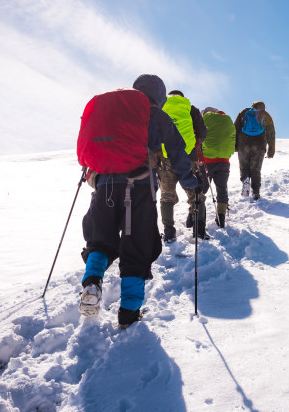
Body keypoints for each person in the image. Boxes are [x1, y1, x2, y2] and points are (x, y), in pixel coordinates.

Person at [77, 75, 198, 328]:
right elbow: (177, 152)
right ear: (160, 96)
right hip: (140, 188)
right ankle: (129, 314)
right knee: (137, 248)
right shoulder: (156, 114)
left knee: (99, 240)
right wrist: (191, 185)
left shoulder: (114, 110)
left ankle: (91, 284)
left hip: (104, 185)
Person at [159, 90, 210, 241]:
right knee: (195, 194)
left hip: (165, 157)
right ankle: (199, 230)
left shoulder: (161, 106)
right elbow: (203, 132)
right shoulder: (191, 108)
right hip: (188, 156)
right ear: (182, 97)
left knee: (166, 196)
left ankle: (169, 232)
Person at [200, 107, 236, 227]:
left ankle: (194, 215)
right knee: (222, 189)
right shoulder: (227, 120)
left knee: (201, 189)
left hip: (206, 161)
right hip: (224, 161)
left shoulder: (205, 119)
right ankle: (221, 217)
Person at [234, 101, 275, 200]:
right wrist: (271, 151)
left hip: (243, 144)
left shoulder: (243, 112)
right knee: (256, 169)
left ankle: (245, 180)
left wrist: (235, 146)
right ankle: (256, 192)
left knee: (244, 167)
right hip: (259, 145)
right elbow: (271, 133)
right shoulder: (265, 115)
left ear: (252, 106)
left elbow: (235, 128)